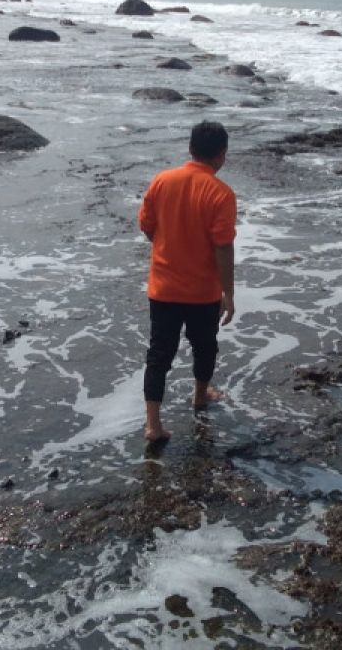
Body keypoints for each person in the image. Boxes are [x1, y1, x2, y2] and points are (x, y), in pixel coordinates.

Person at [138, 120, 237, 442]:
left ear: (191, 149)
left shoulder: (162, 180)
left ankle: (153, 424)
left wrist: (170, 245)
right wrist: (229, 293)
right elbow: (223, 246)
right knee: (204, 346)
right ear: (221, 154)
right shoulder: (220, 193)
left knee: (159, 354)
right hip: (201, 292)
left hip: (163, 287)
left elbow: (147, 226)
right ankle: (199, 395)